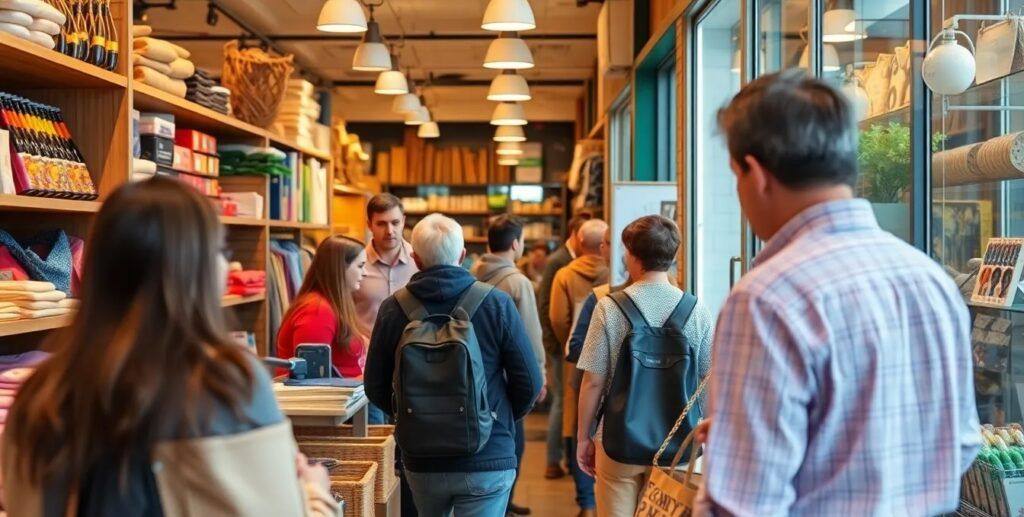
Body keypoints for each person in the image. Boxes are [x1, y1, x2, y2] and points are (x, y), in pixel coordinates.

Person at [696, 69, 980, 515]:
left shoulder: (767, 298)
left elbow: (742, 506)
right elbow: (960, 444)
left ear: (755, 173)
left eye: (735, 175)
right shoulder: (930, 280)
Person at [1, 177, 339, 517]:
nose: (229, 266)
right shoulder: (227, 387)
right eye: (221, 251)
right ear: (195, 269)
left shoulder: (40, 399)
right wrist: (314, 492)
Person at [365, 213, 543, 517]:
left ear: (416, 259)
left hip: (422, 460)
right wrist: (497, 415)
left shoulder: (393, 309)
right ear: (462, 256)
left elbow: (375, 386)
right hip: (487, 456)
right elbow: (530, 381)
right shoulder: (495, 303)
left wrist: (412, 414)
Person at [576, 215, 713, 517]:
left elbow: (593, 382)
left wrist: (583, 437)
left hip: (616, 441)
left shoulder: (609, 307)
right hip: (676, 447)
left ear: (632, 256)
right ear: (673, 256)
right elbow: (708, 378)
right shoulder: (696, 310)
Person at [471, 214, 547, 516]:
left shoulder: (473, 272)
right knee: (515, 440)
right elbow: (530, 333)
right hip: (507, 376)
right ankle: (503, 501)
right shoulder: (518, 281)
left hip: (477, 370)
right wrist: (538, 373)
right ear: (516, 243)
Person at [538, 211, 593, 480]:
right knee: (562, 401)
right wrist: (559, 345)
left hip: (577, 345)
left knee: (572, 400)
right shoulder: (558, 262)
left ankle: (571, 462)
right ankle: (552, 460)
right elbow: (548, 309)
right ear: (576, 236)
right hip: (563, 348)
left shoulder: (574, 262)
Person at [277, 235, 369, 380]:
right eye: (360, 266)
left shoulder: (334, 304)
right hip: (336, 399)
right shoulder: (316, 311)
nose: (365, 273)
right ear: (339, 268)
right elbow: (311, 380)